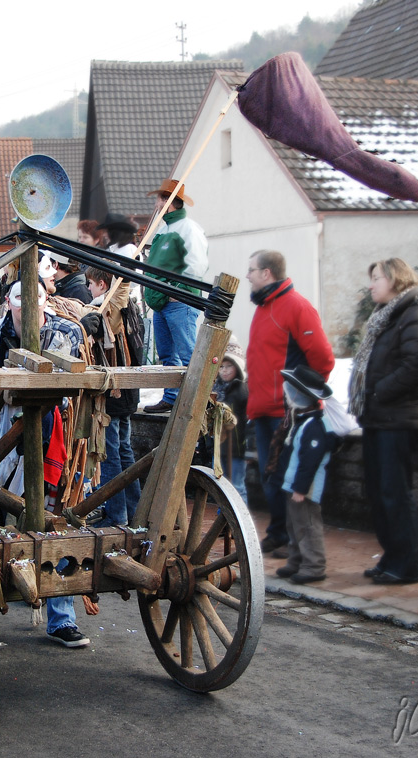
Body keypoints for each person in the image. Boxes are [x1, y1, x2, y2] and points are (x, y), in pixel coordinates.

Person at [0, 280, 90, 648]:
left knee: (54, 519)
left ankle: (61, 619)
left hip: (53, 433)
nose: (27, 304)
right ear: (6, 303)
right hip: (0, 433)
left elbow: (59, 376)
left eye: (35, 298)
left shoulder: (66, 331)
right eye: (18, 298)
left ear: (46, 301)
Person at [349, 258, 418, 586]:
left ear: (395, 278)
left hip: (400, 416)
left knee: (395, 492)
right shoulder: (388, 315)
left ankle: (407, 565)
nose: (371, 284)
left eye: (376, 277)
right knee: (380, 492)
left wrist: (379, 392)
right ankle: (392, 557)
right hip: (380, 416)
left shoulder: (417, 312)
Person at [245, 249, 335, 554]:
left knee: (286, 478)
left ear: (267, 273)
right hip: (263, 408)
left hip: (285, 411)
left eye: (252, 270)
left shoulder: (297, 307)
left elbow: (322, 358)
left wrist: (301, 398)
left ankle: (296, 543)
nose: (248, 275)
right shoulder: (264, 307)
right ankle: (281, 532)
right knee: (271, 477)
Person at [140, 181, 208, 413]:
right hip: (162, 303)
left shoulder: (188, 228)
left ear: (169, 202)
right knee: (168, 354)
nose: (156, 205)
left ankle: (194, 402)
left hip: (178, 303)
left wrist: (176, 292)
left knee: (187, 353)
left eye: (160, 199)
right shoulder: (164, 230)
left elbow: (197, 265)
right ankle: (171, 397)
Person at [83, 267, 141, 527]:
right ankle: (133, 510)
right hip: (129, 391)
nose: (88, 289)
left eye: (91, 284)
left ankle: (117, 516)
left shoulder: (106, 309)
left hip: (113, 395)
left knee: (112, 455)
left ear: (102, 285)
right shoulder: (130, 308)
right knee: (125, 452)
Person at [273, 367, 339, 584]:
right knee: (295, 524)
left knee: (308, 525)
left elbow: (309, 462)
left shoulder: (315, 426)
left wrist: (300, 489)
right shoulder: (303, 420)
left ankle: (314, 565)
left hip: (306, 488)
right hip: (294, 485)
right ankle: (296, 561)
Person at [211, 337, 249, 503]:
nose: (224, 371)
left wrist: (250, 448)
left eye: (229, 366)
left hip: (237, 449)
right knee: (221, 486)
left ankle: (240, 525)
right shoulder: (216, 392)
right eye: (222, 367)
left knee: (237, 487)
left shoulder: (242, 391)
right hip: (219, 448)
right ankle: (224, 522)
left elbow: (250, 423)